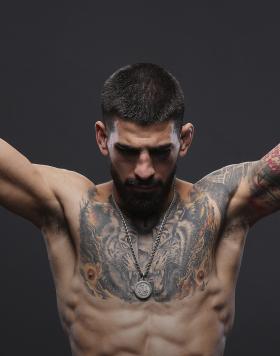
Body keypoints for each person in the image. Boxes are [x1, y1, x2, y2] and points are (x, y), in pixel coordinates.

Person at [0, 63, 279, 356]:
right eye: (128, 151)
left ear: (183, 141)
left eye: (160, 152)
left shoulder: (220, 206)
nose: (144, 170)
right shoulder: (68, 207)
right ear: (102, 138)